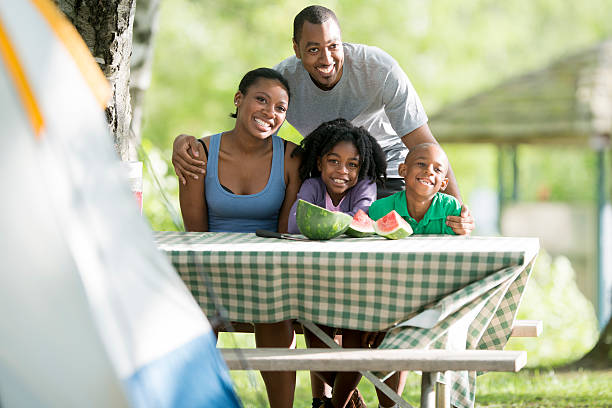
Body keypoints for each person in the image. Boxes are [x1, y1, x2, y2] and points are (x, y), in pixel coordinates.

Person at [170, 5, 474, 236]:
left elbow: (425, 146)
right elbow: (252, 126)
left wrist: (458, 211)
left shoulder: (378, 69)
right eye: (313, 49)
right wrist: (187, 142)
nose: (326, 59)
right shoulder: (284, 82)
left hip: (390, 174)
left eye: (333, 46)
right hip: (327, 175)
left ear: (342, 41)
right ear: (296, 50)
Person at [178, 67, 302, 408]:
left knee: (275, 310)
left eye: (280, 108)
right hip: (212, 267)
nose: (270, 113)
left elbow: (284, 234)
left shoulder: (292, 158)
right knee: (195, 313)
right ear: (239, 99)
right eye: (261, 100)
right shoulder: (199, 152)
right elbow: (196, 236)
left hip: (268, 271)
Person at [287, 117, 386, 408]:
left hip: (356, 283)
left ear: (361, 168)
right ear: (319, 163)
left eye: (352, 164)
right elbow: (295, 223)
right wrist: (342, 225)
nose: (342, 171)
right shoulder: (312, 186)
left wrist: (322, 226)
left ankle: (337, 404)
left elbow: (362, 218)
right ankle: (344, 398)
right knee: (314, 332)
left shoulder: (365, 186)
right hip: (315, 282)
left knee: (354, 334)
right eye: (334, 161)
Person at [365, 143, 461, 408]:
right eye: (421, 164)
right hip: (388, 295)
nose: (428, 171)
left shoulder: (451, 208)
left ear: (443, 183)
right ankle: (391, 405)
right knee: (387, 332)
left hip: (435, 298)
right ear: (403, 170)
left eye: (437, 169)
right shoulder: (379, 210)